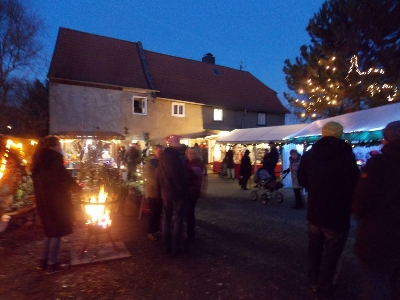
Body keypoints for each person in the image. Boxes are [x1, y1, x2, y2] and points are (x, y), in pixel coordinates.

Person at [297, 121, 360, 299]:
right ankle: (325, 284)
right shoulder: (345, 155)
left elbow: (302, 179)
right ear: (340, 134)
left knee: (314, 248)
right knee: (332, 252)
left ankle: (314, 280)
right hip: (337, 213)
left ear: (323, 134)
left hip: (315, 211)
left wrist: (316, 189)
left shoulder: (310, 154)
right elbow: (353, 184)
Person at [352, 120, 400, 300]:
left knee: (374, 286)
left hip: (379, 235)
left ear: (387, 138)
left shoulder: (379, 164)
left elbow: (361, 201)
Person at [31, 136, 82, 274]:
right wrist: (78, 189)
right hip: (56, 203)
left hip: (44, 203)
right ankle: (52, 264)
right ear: (53, 147)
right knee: (57, 233)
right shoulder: (53, 160)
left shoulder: (38, 162)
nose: (61, 148)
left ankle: (43, 260)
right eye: (59, 145)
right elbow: (65, 178)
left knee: (50, 232)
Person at [156, 135, 188, 255]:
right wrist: (183, 191)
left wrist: (160, 189)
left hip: (165, 192)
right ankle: (175, 247)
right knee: (178, 219)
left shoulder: (163, 157)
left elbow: (158, 175)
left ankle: (166, 245)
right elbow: (178, 177)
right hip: (176, 193)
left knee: (167, 219)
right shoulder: (177, 158)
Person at [143, 144, 163, 241]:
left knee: (158, 212)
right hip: (153, 192)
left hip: (160, 191)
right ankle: (151, 232)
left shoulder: (161, 162)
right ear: (154, 151)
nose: (160, 153)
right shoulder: (150, 163)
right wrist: (157, 185)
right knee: (153, 212)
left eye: (161, 151)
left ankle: (157, 230)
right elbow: (149, 178)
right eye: (159, 151)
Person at [185, 147, 205, 241]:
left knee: (189, 212)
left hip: (192, 190)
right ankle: (189, 231)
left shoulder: (197, 163)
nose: (190, 154)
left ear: (196, 154)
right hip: (190, 189)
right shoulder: (188, 162)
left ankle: (190, 233)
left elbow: (199, 176)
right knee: (189, 211)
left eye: (192, 153)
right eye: (189, 152)